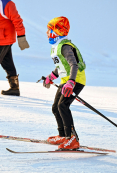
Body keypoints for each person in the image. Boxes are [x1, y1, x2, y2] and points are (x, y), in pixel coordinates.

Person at [43, 16, 86, 150]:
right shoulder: (57, 46)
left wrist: (71, 82)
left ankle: (72, 139)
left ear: (57, 32)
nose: (47, 33)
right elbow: (62, 66)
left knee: (63, 106)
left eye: (49, 30)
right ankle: (63, 135)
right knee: (56, 107)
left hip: (76, 80)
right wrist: (52, 76)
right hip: (65, 80)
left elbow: (73, 64)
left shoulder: (66, 46)